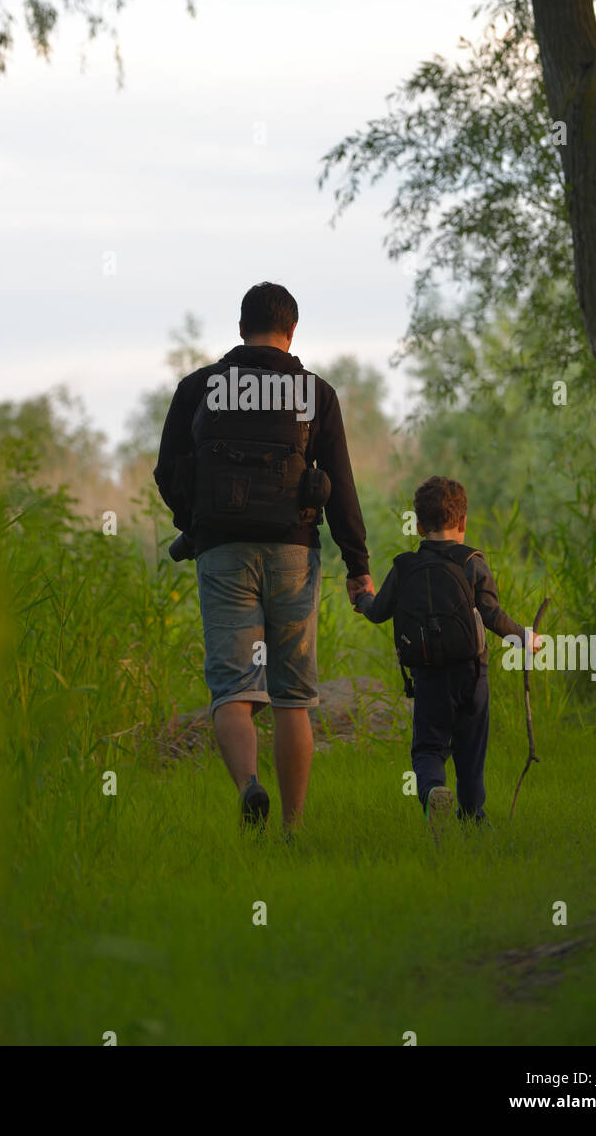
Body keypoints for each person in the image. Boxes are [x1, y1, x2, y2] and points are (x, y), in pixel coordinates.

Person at [154, 282, 373, 832]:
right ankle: (293, 828)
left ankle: (250, 787)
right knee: (292, 698)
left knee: (234, 689)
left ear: (240, 328)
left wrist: (196, 524)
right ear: (292, 330)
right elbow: (341, 485)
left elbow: (167, 472)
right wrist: (358, 566)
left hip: (223, 550)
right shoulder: (314, 393)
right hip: (293, 552)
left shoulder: (198, 387)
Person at [354, 475, 540, 830]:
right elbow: (491, 614)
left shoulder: (404, 567)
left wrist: (362, 597)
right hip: (472, 673)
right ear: (463, 522)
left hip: (428, 676)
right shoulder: (472, 562)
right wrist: (525, 638)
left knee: (428, 748)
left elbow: (378, 612)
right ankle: (473, 818)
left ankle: (433, 790)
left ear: (419, 525)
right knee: (471, 749)